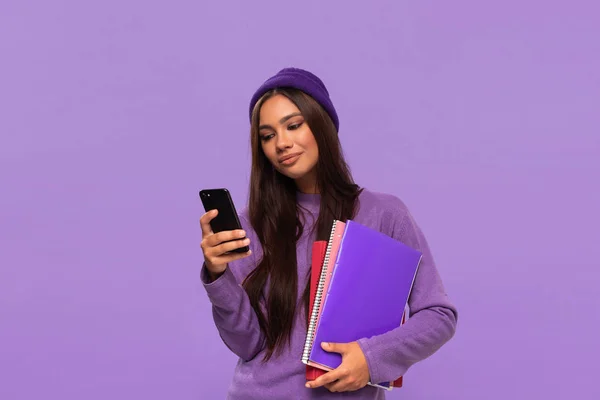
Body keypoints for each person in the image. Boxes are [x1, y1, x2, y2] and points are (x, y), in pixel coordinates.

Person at [199, 67, 458, 399]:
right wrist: (218, 277)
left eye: (293, 125)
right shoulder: (252, 224)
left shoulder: (383, 214)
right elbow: (248, 344)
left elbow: (438, 315)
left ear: (321, 124)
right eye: (267, 135)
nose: (282, 143)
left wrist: (372, 357)